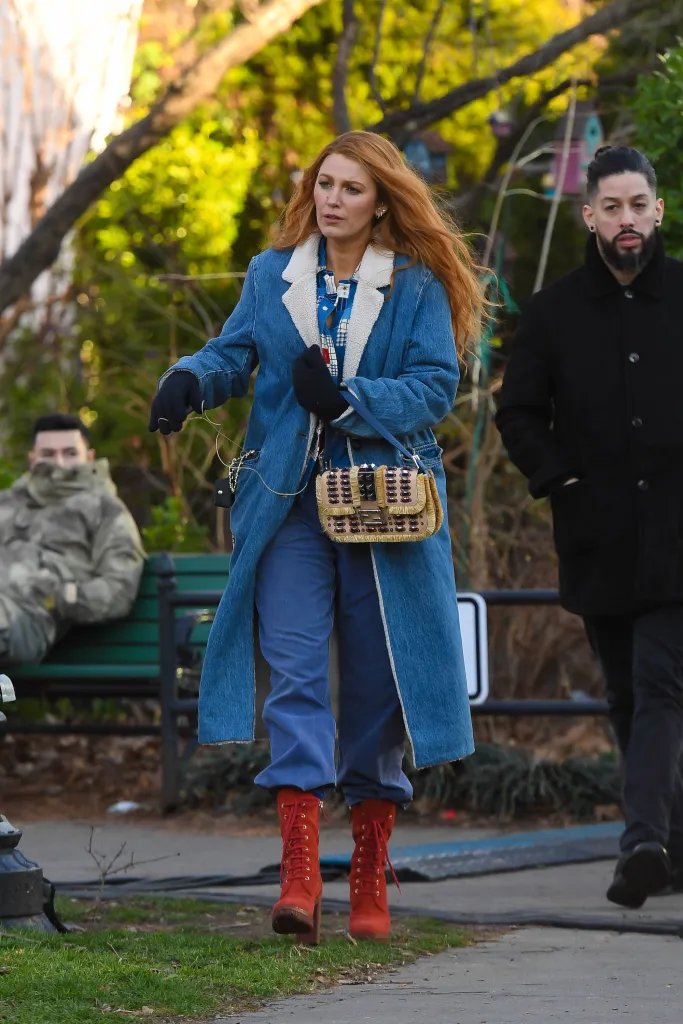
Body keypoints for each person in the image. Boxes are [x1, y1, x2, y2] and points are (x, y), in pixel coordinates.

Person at [149, 130, 484, 942]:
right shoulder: (273, 276)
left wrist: (347, 400)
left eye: (352, 189)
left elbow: (435, 385)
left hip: (383, 508)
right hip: (289, 505)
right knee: (292, 672)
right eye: (324, 183)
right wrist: (190, 379)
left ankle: (368, 871)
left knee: (377, 685)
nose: (332, 199)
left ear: (381, 203)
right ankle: (299, 874)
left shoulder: (414, 285)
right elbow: (234, 354)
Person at [496, 145, 683, 909]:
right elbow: (516, 411)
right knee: (625, 697)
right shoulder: (552, 311)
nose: (626, 219)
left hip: (679, 532)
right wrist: (558, 478)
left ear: (658, 210)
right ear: (589, 216)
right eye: (611, 207)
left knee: (657, 681)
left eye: (638, 204)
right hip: (597, 534)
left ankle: (641, 840)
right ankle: (671, 841)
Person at [0, 414, 145, 665]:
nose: (59, 463)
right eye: (48, 454)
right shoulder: (8, 502)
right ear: (32, 459)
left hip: (27, 619)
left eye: (69, 453)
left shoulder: (105, 509)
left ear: (88, 457)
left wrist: (61, 595)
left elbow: (119, 588)